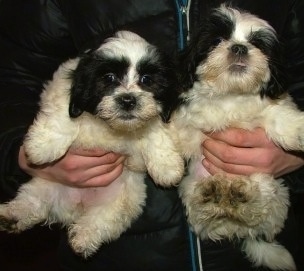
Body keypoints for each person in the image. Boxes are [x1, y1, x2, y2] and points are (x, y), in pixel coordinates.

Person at [0, 0, 304, 270]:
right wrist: (19, 153)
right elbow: (14, 78)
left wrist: (298, 154)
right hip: (124, 254)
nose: (238, 48)